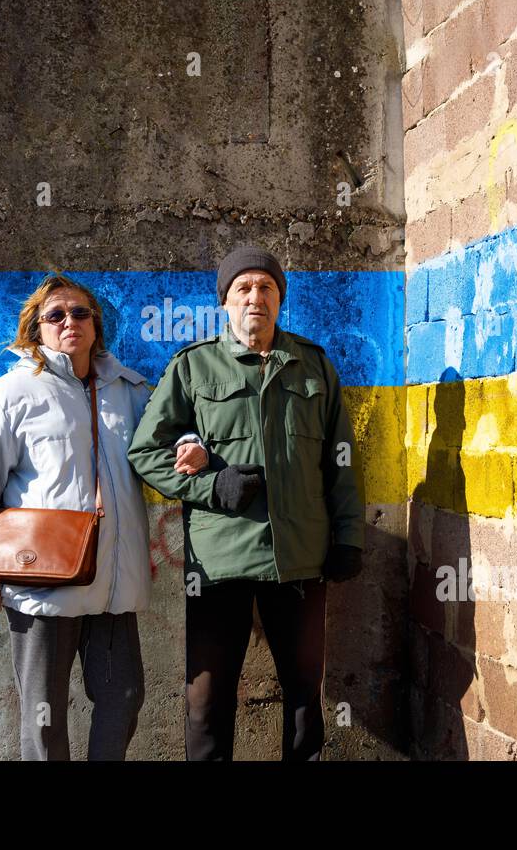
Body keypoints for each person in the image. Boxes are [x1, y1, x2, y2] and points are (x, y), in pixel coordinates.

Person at [0, 272, 207, 760]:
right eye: (55, 314)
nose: (70, 322)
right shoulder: (10, 396)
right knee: (43, 715)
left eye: (81, 312)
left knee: (124, 698)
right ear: (35, 330)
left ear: (96, 324)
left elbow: (169, 438)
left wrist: (191, 445)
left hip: (112, 586)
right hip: (43, 586)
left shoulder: (130, 391)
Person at [128, 245, 366, 761]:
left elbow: (341, 463)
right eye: (244, 288)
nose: (255, 297)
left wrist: (347, 537)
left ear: (280, 299)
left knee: (305, 699)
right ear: (225, 302)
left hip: (300, 560)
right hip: (218, 566)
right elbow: (144, 451)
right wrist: (212, 487)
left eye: (266, 288)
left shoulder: (314, 366)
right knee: (207, 701)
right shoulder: (193, 368)